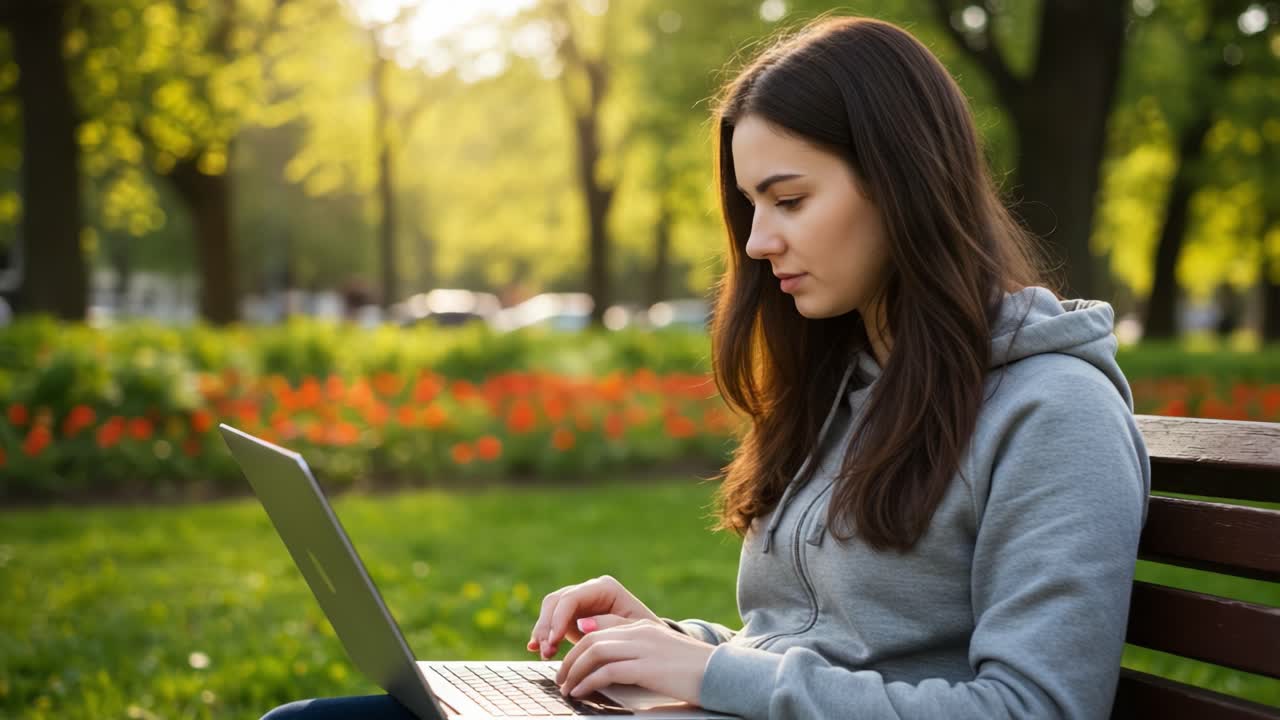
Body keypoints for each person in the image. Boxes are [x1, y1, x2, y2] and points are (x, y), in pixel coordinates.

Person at [262, 14, 1149, 720]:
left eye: (790, 200)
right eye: (751, 205)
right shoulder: (850, 379)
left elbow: (1037, 707)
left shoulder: (1053, 410)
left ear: (904, 179)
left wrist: (714, 677)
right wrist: (668, 644)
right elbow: (815, 648)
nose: (760, 244)